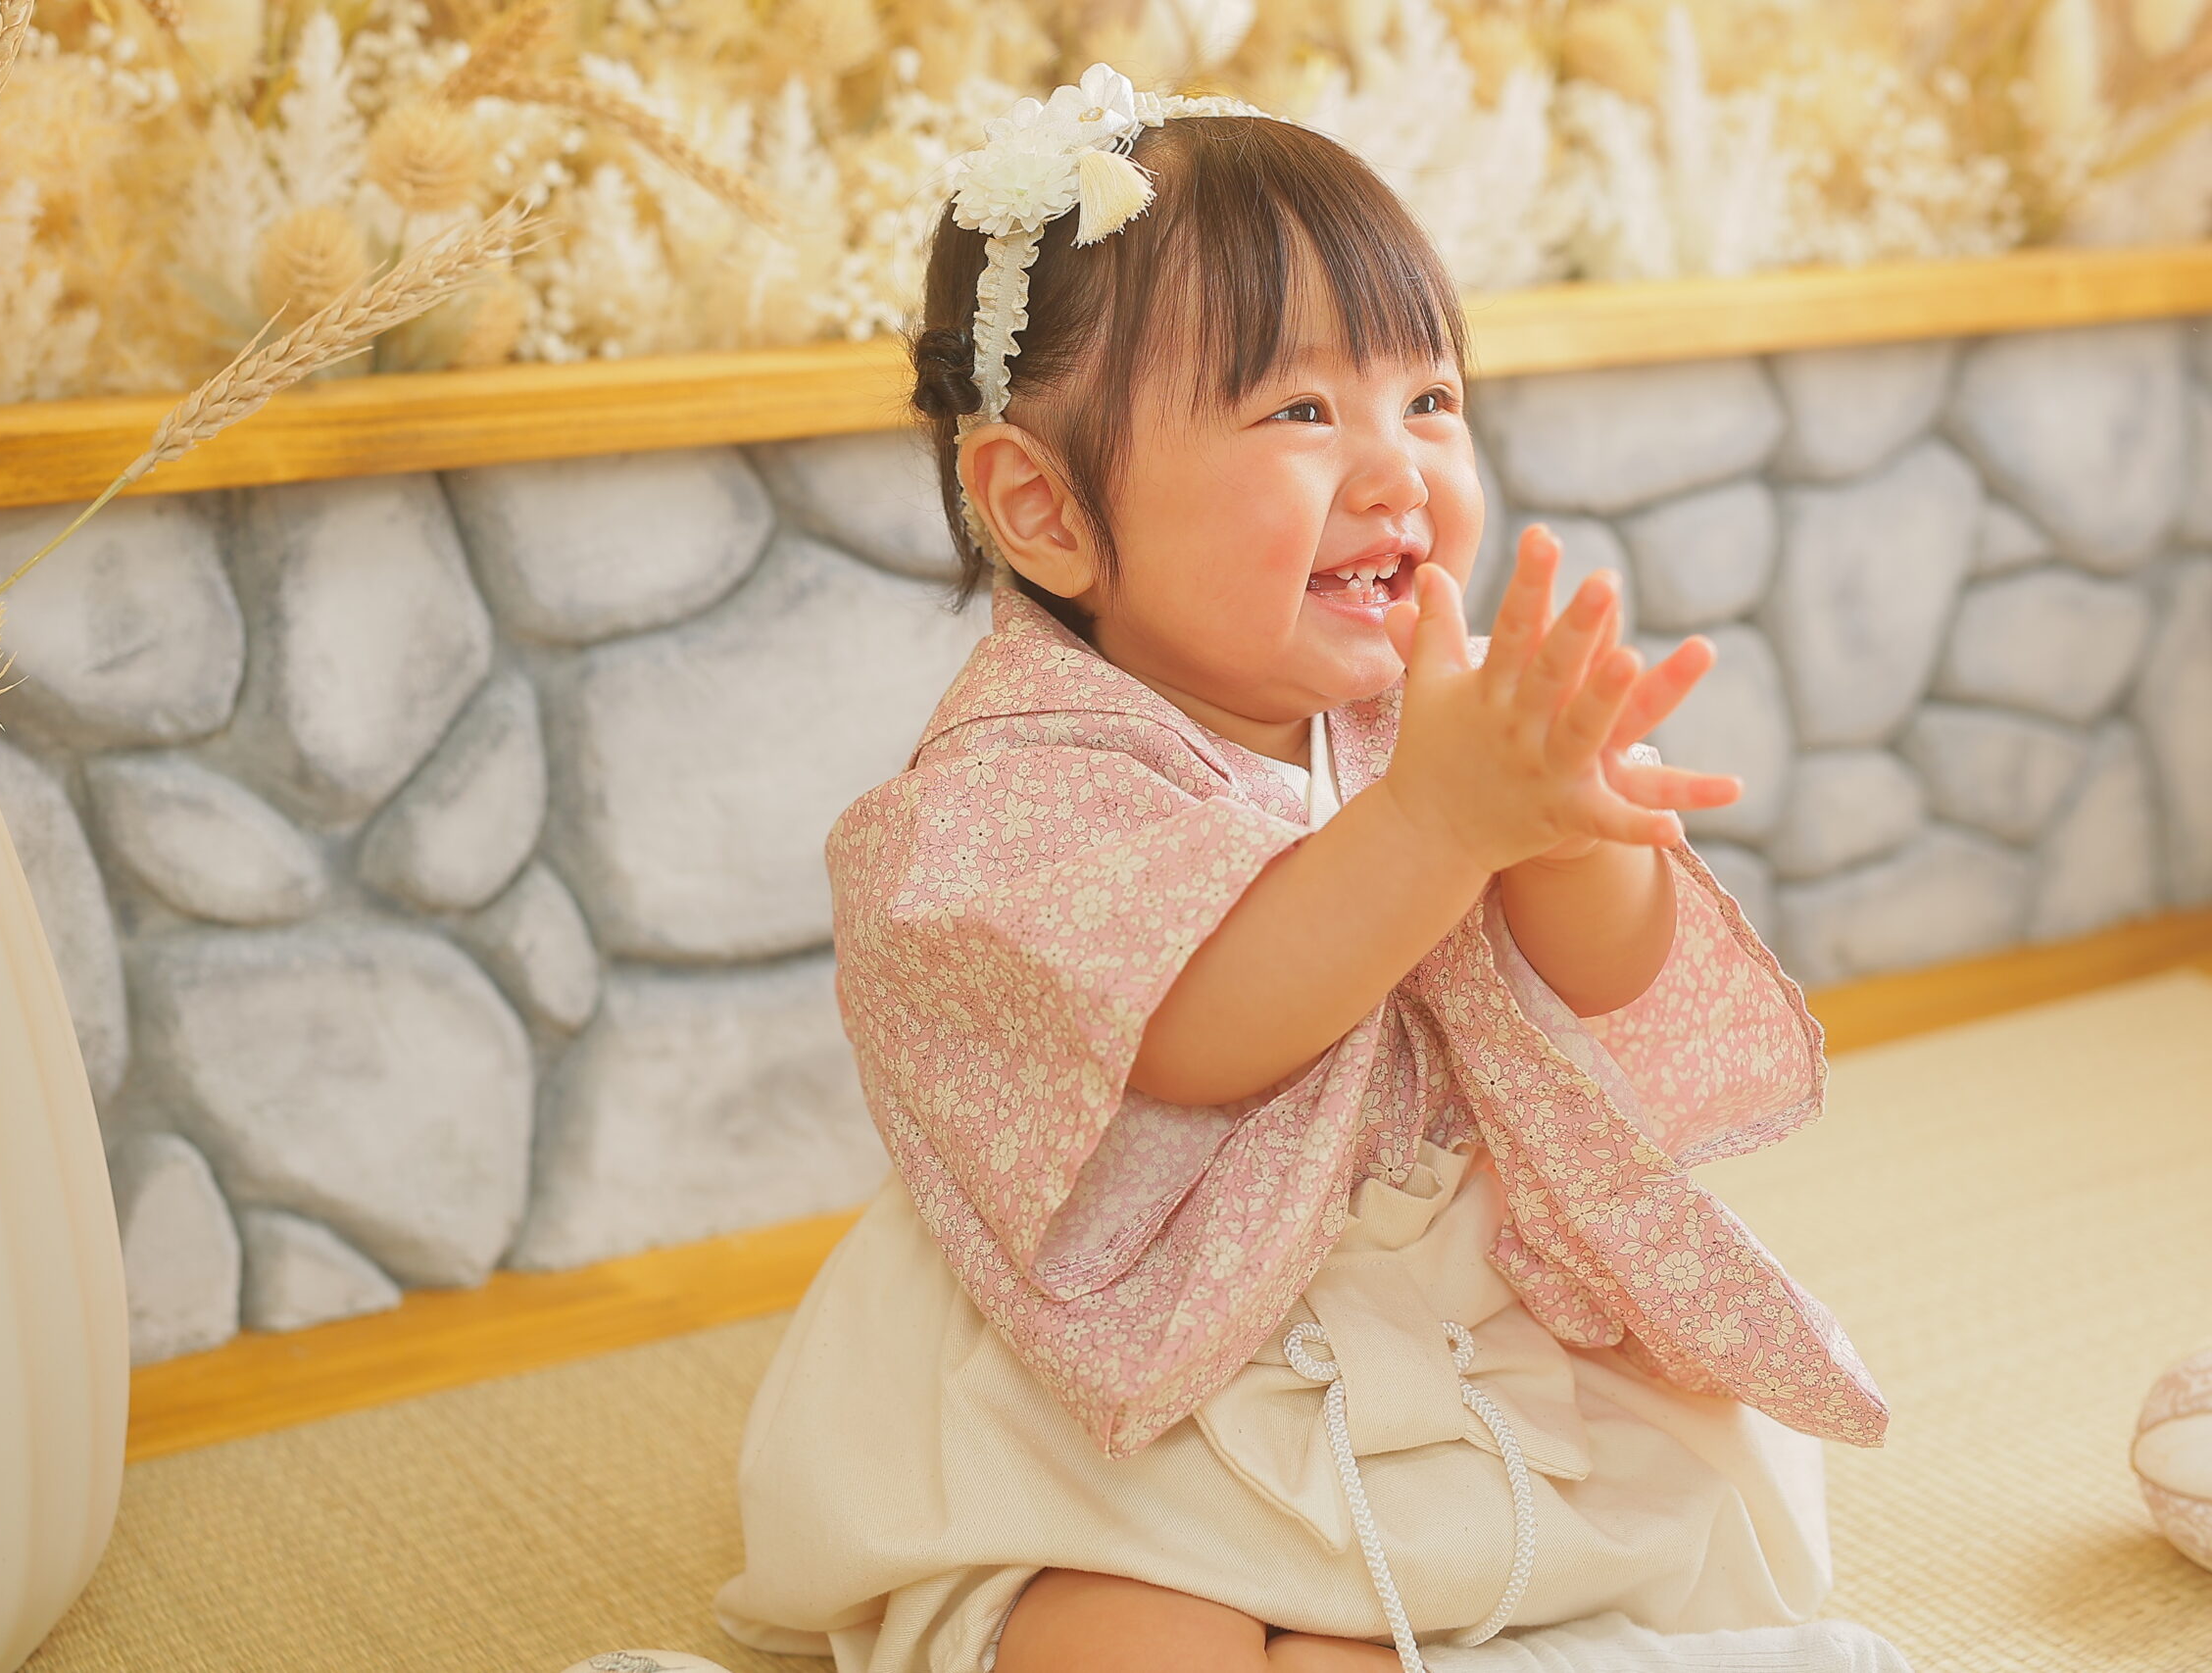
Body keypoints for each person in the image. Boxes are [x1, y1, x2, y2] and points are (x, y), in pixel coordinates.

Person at [708, 67, 1908, 1673]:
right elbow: (1201, 1029)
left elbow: (1605, 976)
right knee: (1126, 1630)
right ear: (1045, 509)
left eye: (1430, 399)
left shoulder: (1435, 716)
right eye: (1299, 412)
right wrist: (1440, 827)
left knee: (1461, 1583)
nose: (1398, 468)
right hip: (1131, 1366)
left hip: (1444, 1312)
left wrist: (1563, 827)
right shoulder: (1004, 792)